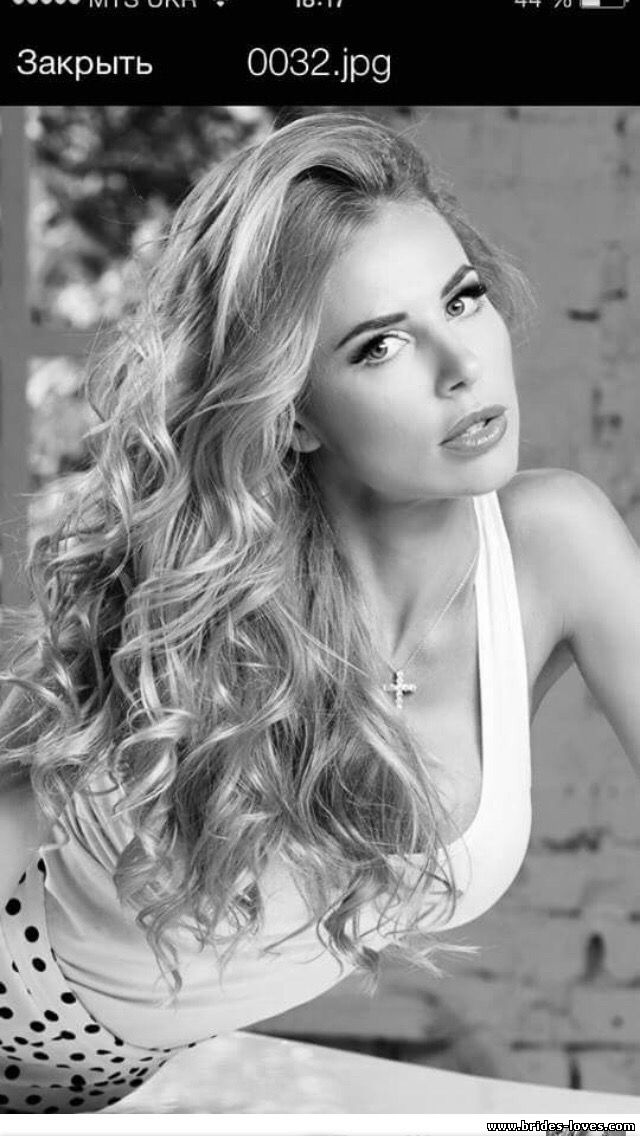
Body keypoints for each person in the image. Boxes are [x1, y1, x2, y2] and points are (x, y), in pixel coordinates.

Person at [2, 111, 640, 1115]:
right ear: (292, 411)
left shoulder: (556, 546)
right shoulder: (214, 590)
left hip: (102, 1085)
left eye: (462, 298)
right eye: (380, 344)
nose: (462, 365)